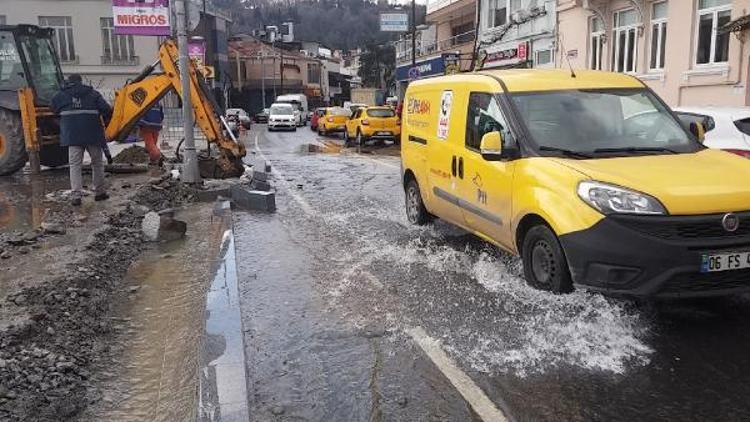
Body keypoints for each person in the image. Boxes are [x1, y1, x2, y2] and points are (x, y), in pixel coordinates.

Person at [51, 74, 112, 206]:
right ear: (80, 82)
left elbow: (53, 110)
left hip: (72, 136)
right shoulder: (93, 94)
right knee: (97, 163)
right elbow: (107, 110)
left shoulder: (60, 96)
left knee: (74, 165)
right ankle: (100, 192)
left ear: (69, 82)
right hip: (93, 134)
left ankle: (76, 196)